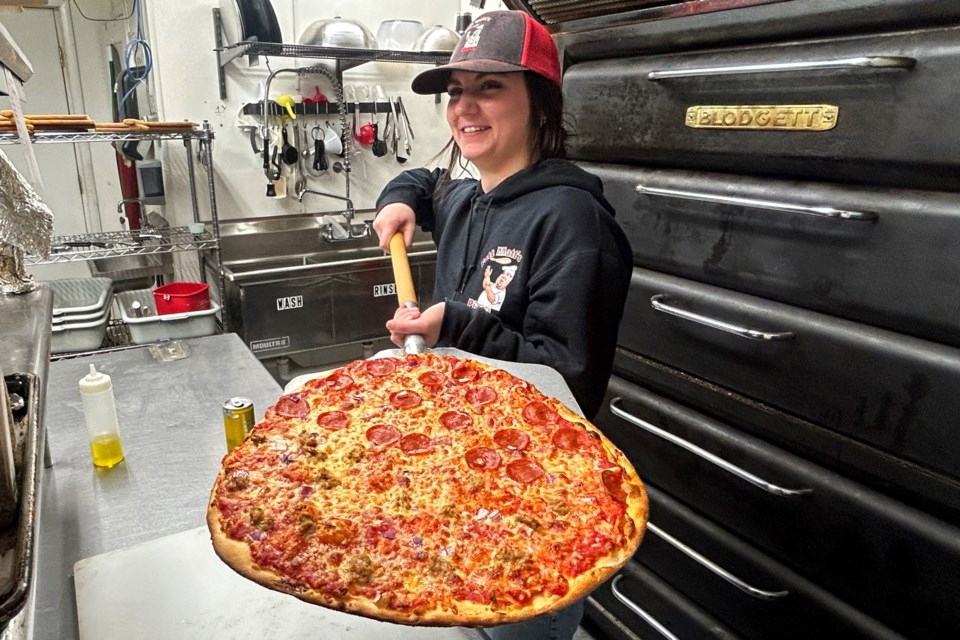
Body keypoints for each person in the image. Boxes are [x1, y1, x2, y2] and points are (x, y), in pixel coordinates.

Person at [372, 10, 633, 640]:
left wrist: (455, 325)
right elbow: (425, 182)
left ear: (539, 103)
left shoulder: (573, 222)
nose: (465, 108)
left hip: (533, 505)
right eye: (456, 91)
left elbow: (564, 379)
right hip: (459, 480)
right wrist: (398, 199)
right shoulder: (468, 194)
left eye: (490, 88)